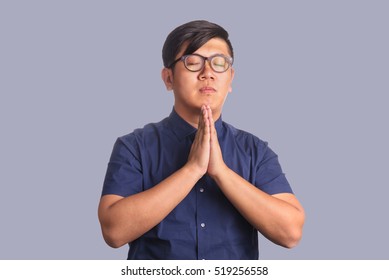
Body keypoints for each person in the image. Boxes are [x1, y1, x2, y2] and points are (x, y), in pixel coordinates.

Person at [98, 20, 305, 260]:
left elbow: (290, 233)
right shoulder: (133, 147)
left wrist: (222, 173)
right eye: (193, 62)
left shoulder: (255, 151)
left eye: (219, 64)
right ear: (168, 78)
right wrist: (192, 170)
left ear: (231, 79)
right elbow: (114, 232)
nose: (208, 73)